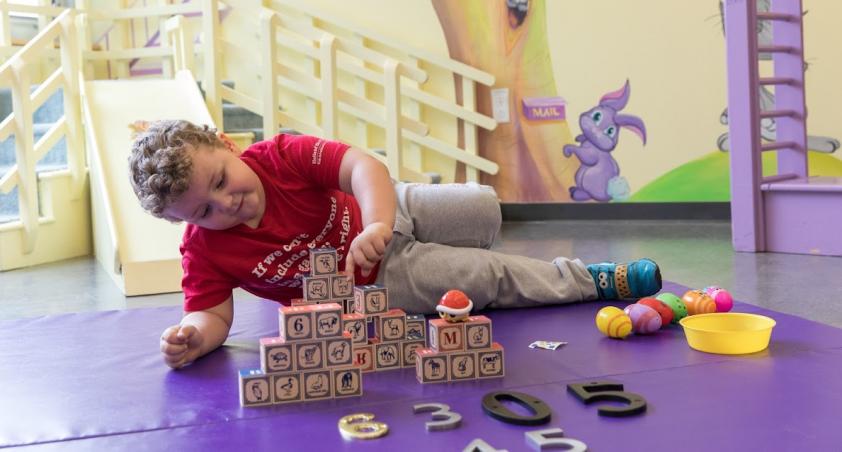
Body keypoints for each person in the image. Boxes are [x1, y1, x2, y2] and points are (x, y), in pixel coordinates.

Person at [129, 120, 662, 369]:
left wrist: (378, 222)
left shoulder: (281, 154)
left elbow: (363, 166)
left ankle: (441, 240)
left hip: (391, 210)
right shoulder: (206, 250)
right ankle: (591, 278)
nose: (225, 205)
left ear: (229, 146)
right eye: (202, 211)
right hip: (377, 277)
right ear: (184, 223)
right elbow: (210, 316)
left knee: (483, 206)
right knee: (484, 276)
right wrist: (193, 338)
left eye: (221, 181)